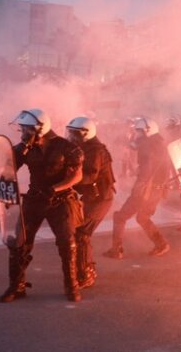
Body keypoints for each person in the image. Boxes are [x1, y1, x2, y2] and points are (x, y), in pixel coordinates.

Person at [0, 109, 85, 303]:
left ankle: (71, 286)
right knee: (19, 243)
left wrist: (55, 189)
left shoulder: (67, 147)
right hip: (34, 199)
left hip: (60, 201)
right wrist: (18, 152)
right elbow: (7, 169)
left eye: (25, 130)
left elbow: (76, 175)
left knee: (67, 244)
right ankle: (16, 286)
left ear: (39, 129)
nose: (22, 133)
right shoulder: (26, 148)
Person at [104, 117, 172, 259]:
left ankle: (116, 250)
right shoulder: (158, 144)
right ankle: (161, 244)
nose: (138, 134)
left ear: (148, 131)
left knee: (120, 217)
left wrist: (138, 189)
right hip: (155, 189)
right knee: (142, 218)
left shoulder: (148, 146)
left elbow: (147, 170)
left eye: (140, 131)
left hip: (146, 190)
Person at [66, 116, 116, 289]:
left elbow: (90, 176)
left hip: (100, 198)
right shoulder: (86, 147)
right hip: (93, 197)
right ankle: (84, 269)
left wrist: (70, 180)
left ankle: (86, 273)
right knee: (80, 233)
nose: (71, 137)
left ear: (85, 134)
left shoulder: (94, 150)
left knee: (82, 234)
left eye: (74, 134)